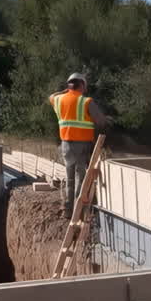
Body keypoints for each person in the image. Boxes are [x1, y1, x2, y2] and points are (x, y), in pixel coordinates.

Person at [48, 72, 108, 217]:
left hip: (65, 145)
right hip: (82, 145)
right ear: (81, 85)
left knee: (70, 178)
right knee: (80, 178)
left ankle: (68, 210)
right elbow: (101, 121)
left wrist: (66, 90)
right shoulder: (86, 102)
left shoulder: (57, 99)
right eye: (84, 86)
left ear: (69, 85)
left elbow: (51, 96)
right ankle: (78, 210)